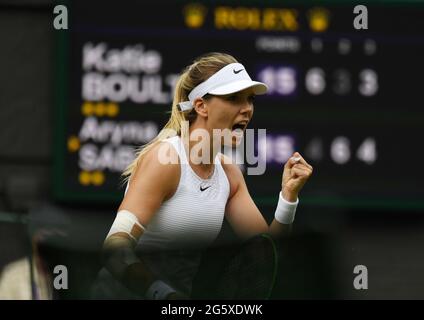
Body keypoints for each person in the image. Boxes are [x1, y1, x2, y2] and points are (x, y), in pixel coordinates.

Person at [94, 52, 313, 300]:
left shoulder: (229, 175)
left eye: (249, 99)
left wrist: (288, 197)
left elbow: (268, 256)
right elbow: (114, 247)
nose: (247, 109)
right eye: (233, 98)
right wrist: (163, 295)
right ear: (201, 106)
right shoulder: (165, 160)